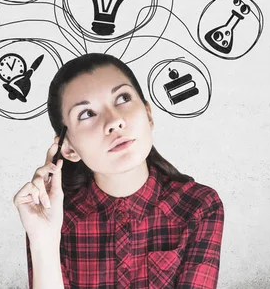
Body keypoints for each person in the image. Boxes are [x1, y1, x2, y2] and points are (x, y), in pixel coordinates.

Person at [12, 53, 224, 289]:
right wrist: (44, 242)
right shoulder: (55, 217)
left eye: (123, 98)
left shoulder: (198, 206)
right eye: (87, 114)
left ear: (149, 115)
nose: (114, 122)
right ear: (69, 148)